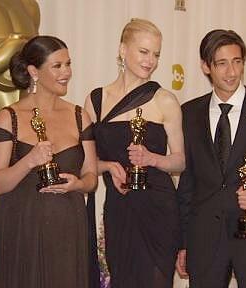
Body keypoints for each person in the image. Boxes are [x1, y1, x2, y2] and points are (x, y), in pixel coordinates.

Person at [176, 29, 246, 288]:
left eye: (237, 62)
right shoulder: (188, 113)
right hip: (204, 243)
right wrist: (183, 242)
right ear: (206, 67)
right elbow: (188, 183)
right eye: (222, 63)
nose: (232, 72)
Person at [0, 35, 97, 288]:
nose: (66, 72)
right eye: (57, 66)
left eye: (68, 64)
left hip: (68, 226)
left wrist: (78, 185)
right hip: (22, 229)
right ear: (33, 72)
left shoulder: (80, 116)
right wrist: (29, 161)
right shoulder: (8, 118)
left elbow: (91, 177)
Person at [84, 18, 185, 288]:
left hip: (158, 209)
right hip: (119, 208)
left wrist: (152, 158)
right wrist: (107, 166)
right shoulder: (96, 100)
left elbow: (180, 160)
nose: (150, 61)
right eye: (143, 51)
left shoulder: (165, 100)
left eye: (156, 54)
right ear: (122, 50)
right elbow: (85, 158)